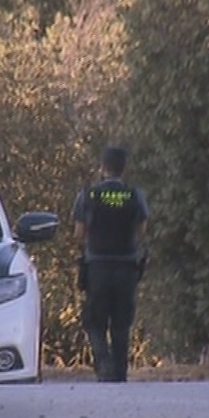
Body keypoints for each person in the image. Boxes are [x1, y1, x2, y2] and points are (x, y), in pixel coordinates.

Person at [73, 145, 150, 382]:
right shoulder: (135, 195)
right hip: (127, 267)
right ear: (123, 169)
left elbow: (79, 233)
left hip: (97, 267)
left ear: (102, 167)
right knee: (121, 323)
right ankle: (119, 373)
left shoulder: (89, 195)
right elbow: (142, 229)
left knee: (95, 321)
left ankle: (103, 361)